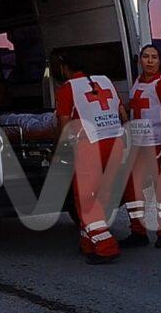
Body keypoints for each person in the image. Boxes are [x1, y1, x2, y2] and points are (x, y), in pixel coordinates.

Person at [53, 51, 128, 264]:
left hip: (90, 146)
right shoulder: (104, 81)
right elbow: (122, 114)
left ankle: (105, 247)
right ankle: (88, 243)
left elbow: (65, 125)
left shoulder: (67, 88)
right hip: (115, 143)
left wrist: (59, 150)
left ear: (65, 68)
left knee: (86, 198)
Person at [121, 45, 161, 249]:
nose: (150, 61)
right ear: (140, 60)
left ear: (159, 61)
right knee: (132, 189)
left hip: (157, 144)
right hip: (137, 145)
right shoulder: (137, 82)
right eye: (146, 57)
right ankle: (138, 231)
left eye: (154, 57)